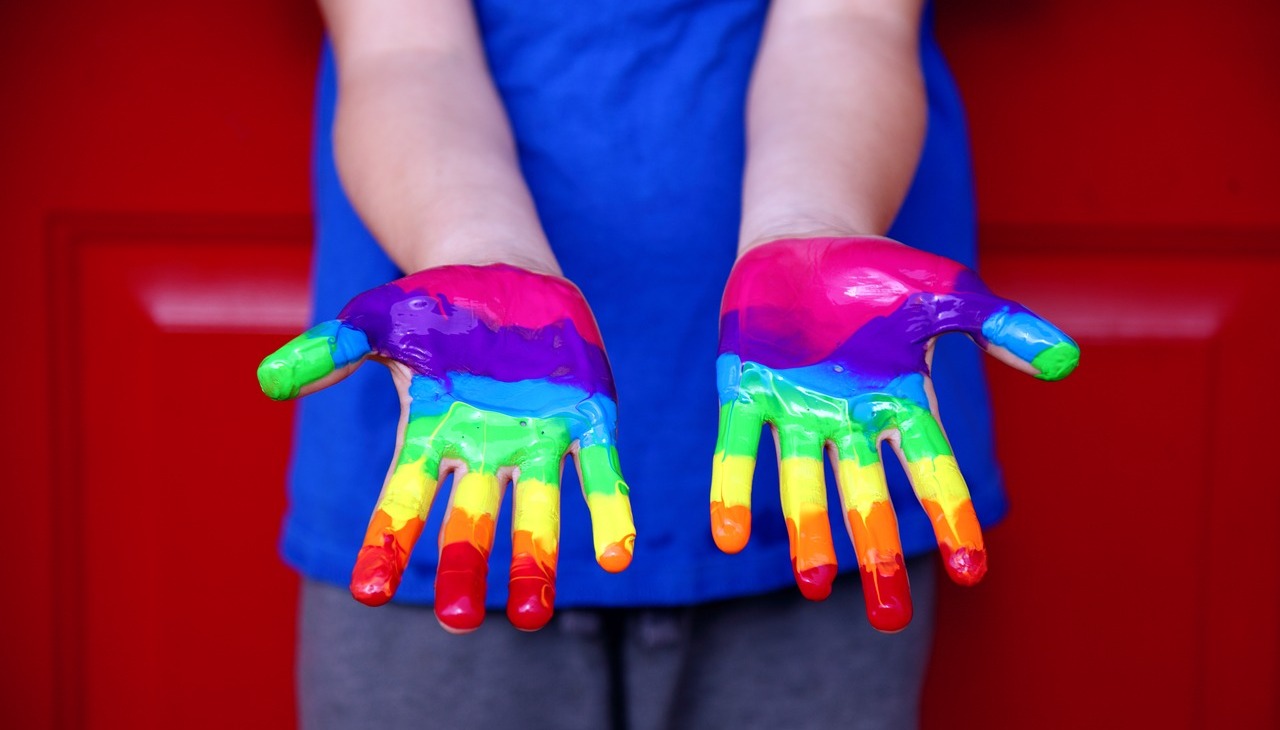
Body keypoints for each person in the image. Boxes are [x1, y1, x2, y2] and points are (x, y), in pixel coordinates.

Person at [258, 0, 1077, 728]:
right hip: (452, 459)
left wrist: (809, 230)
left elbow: (848, 20)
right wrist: (477, 258)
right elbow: (404, 49)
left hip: (822, 442)